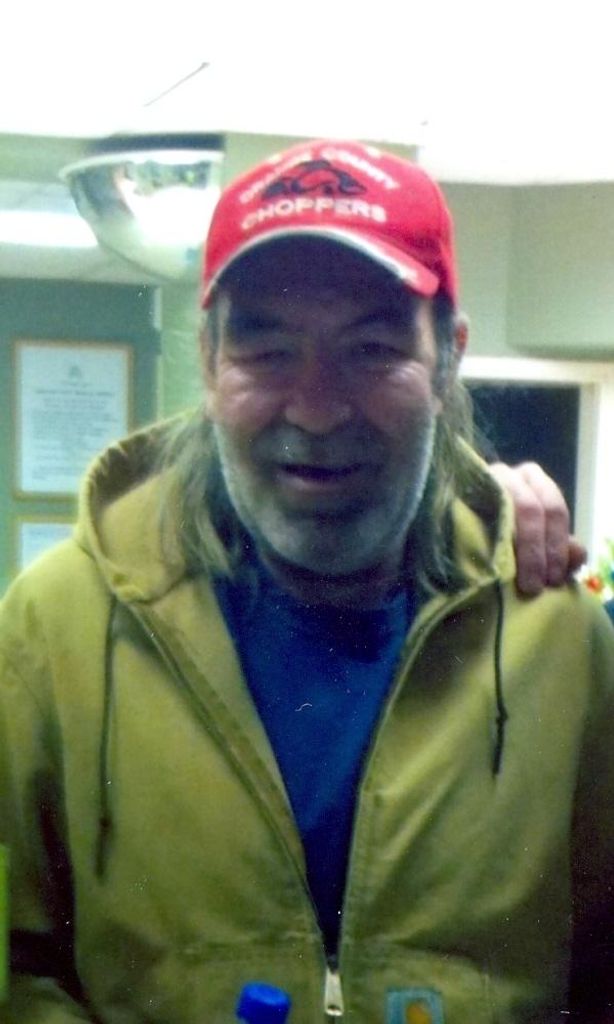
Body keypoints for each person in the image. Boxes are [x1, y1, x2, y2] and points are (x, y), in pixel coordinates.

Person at [0, 139, 610, 1024]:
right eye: (269, 351)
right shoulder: (54, 630)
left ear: (448, 361)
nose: (317, 408)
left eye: (371, 349)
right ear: (208, 359)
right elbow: (14, 972)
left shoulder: (557, 639)